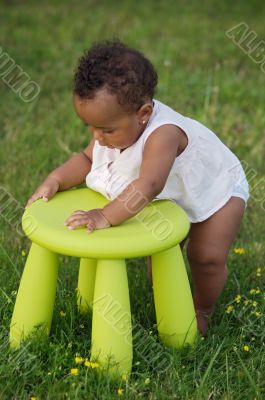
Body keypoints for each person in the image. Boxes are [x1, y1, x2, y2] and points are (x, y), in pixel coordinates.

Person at [26, 40, 249, 336]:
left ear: (143, 113)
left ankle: (201, 309)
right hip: (171, 193)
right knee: (159, 249)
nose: (97, 137)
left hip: (215, 188)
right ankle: (168, 299)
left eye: (105, 130)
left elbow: (149, 184)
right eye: (89, 128)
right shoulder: (111, 127)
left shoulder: (164, 133)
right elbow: (84, 158)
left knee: (205, 256)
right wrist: (54, 180)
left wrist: (105, 215)